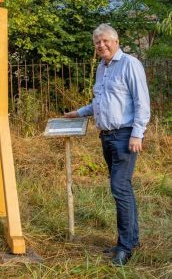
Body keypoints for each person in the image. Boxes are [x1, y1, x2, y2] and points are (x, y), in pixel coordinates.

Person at [65, 24, 150, 266]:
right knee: (123, 188)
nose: (101, 46)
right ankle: (130, 240)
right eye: (97, 43)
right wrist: (79, 112)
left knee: (119, 188)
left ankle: (124, 248)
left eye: (105, 41)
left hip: (125, 136)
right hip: (107, 136)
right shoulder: (102, 68)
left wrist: (137, 134)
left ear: (116, 41)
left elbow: (142, 102)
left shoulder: (130, 64)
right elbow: (100, 102)